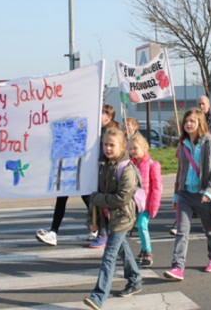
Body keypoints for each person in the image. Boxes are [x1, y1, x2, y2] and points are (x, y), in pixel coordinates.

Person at [36, 105, 118, 247]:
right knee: (64, 197)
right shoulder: (94, 129)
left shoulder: (109, 132)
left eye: (103, 112)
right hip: (79, 168)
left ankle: (99, 229)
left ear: (109, 117)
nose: (100, 114)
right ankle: (54, 232)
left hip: (94, 172)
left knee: (91, 201)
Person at [83, 128, 143, 309]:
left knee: (109, 256)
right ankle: (135, 279)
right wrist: (91, 220)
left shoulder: (127, 168)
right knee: (122, 249)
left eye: (112, 145)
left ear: (122, 146)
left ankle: (98, 296)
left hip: (123, 217)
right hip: (109, 217)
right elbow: (95, 195)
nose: (108, 148)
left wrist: (98, 199)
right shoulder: (102, 166)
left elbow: (121, 198)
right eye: (105, 145)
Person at [163, 107, 211, 281]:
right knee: (182, 231)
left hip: (203, 194)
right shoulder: (182, 145)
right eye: (186, 121)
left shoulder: (210, 142)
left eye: (192, 121)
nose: (189, 124)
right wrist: (175, 194)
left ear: (200, 123)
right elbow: (180, 170)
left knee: (210, 229)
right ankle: (177, 267)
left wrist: (210, 191)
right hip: (184, 194)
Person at [128, 134, 162, 267]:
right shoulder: (130, 164)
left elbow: (157, 187)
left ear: (144, 148)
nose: (132, 151)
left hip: (146, 204)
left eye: (135, 148)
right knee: (138, 227)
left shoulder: (152, 165)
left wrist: (153, 206)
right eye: (130, 148)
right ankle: (143, 248)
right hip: (133, 204)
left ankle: (148, 252)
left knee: (142, 226)